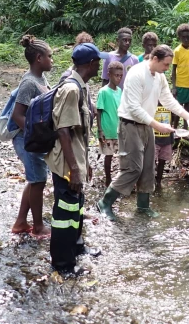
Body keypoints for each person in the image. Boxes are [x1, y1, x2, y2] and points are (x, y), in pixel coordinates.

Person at [97, 45, 189, 220]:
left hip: (147, 125)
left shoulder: (159, 76)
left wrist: (188, 117)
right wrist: (158, 126)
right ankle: (105, 202)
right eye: (165, 65)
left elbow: (168, 100)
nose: (167, 69)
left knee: (148, 167)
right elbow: (134, 108)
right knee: (133, 168)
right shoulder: (137, 73)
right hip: (129, 124)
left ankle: (143, 206)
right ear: (155, 59)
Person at [47, 42, 107, 275]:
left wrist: (85, 163)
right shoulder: (71, 89)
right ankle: (63, 264)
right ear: (90, 64)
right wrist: (74, 168)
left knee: (76, 207)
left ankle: (76, 247)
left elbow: (79, 133)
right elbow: (63, 130)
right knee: (65, 213)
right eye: (97, 62)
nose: (99, 66)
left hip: (76, 159)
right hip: (66, 163)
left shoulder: (82, 87)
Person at [10, 35, 53, 238]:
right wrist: (35, 135)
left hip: (34, 138)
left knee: (34, 179)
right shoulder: (28, 82)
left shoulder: (41, 78)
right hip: (26, 139)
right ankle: (38, 227)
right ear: (38, 58)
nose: (52, 60)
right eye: (49, 57)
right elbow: (17, 115)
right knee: (38, 181)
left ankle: (20, 222)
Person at [96, 61, 124, 187]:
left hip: (118, 129)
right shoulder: (103, 92)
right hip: (107, 130)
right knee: (108, 155)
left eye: (120, 75)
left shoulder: (120, 91)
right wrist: (100, 130)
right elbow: (99, 111)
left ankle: (120, 178)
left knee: (121, 155)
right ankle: (108, 179)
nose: (118, 78)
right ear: (109, 75)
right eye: (116, 75)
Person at [171, 23, 189, 129]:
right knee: (178, 108)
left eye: (188, 37)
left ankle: (186, 129)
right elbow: (173, 70)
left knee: (188, 107)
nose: (186, 39)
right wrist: (174, 87)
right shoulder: (177, 51)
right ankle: (174, 128)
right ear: (179, 37)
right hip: (180, 84)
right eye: (183, 37)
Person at [153, 102, 174, 187]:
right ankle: (152, 179)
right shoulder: (152, 103)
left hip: (166, 139)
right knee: (152, 161)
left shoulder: (169, 105)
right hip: (154, 138)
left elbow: (173, 119)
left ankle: (158, 182)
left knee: (162, 161)